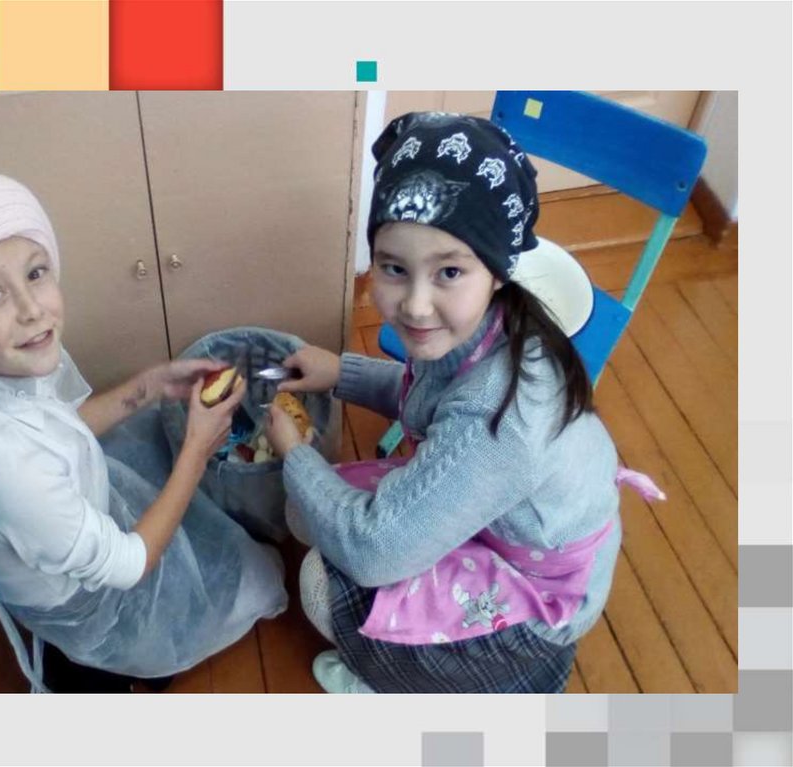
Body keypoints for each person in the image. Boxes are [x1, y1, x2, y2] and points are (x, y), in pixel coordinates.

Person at [0, 171, 287, 692]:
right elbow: (130, 564)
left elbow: (62, 427)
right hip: (81, 595)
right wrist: (196, 449)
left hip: (54, 527)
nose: (31, 310)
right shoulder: (7, 467)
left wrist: (148, 387)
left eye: (35, 273)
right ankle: (108, 677)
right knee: (194, 605)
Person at [265, 113, 663, 693]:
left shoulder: (502, 420)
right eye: (393, 268)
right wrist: (340, 372)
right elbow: (431, 396)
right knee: (307, 513)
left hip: (536, 603)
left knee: (319, 580)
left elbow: (374, 551)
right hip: (501, 519)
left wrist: (294, 453)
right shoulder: (489, 324)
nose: (415, 305)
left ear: (497, 272)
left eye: (449, 271)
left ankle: (410, 685)